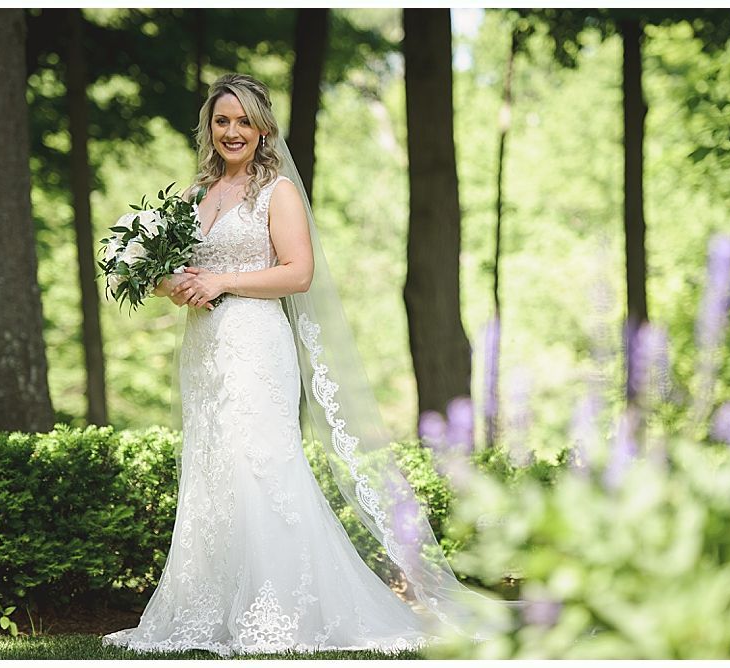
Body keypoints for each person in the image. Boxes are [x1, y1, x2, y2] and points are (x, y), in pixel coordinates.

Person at [102, 73, 522, 658]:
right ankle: (212, 607)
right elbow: (168, 270)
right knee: (214, 469)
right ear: (208, 128)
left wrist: (223, 280)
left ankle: (278, 609)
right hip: (203, 349)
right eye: (222, 121)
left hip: (255, 343)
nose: (232, 132)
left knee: (263, 467)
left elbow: (298, 273)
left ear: (262, 128)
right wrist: (172, 282)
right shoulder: (194, 198)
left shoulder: (277, 192)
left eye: (243, 121)